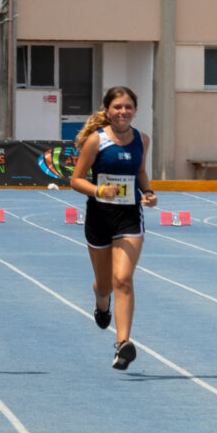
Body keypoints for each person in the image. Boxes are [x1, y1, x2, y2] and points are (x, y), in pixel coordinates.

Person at [70, 86, 158, 370]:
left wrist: (148, 192)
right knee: (105, 283)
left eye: (128, 107)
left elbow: (141, 170)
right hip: (99, 216)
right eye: (118, 107)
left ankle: (122, 345)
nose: (123, 112)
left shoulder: (142, 140)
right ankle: (101, 303)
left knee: (123, 279)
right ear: (107, 110)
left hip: (129, 217)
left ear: (135, 110)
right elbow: (76, 179)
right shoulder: (96, 141)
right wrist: (98, 191)